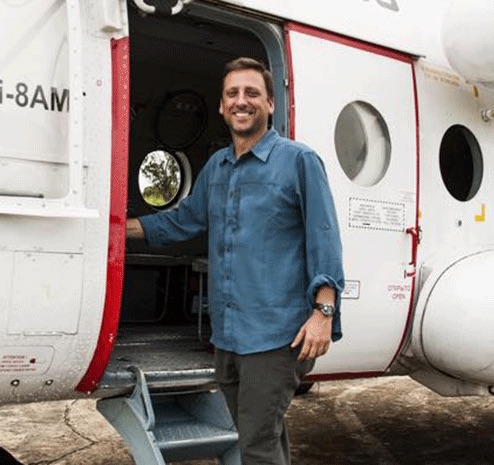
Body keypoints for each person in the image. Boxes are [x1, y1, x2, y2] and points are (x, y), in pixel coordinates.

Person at [126, 57, 344, 464]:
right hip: (227, 334)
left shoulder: (299, 161)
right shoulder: (217, 167)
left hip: (277, 336)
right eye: (233, 94)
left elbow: (324, 237)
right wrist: (119, 230)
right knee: (260, 436)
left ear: (270, 104)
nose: (242, 102)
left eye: (252, 93)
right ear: (223, 106)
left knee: (255, 446)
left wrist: (324, 311)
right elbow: (184, 220)